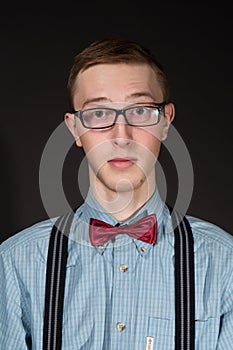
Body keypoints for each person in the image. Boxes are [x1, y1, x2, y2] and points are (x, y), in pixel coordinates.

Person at [0, 37, 233, 350]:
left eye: (139, 110)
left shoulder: (225, 262)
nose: (121, 136)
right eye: (98, 114)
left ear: (165, 122)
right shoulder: (15, 263)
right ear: (74, 129)